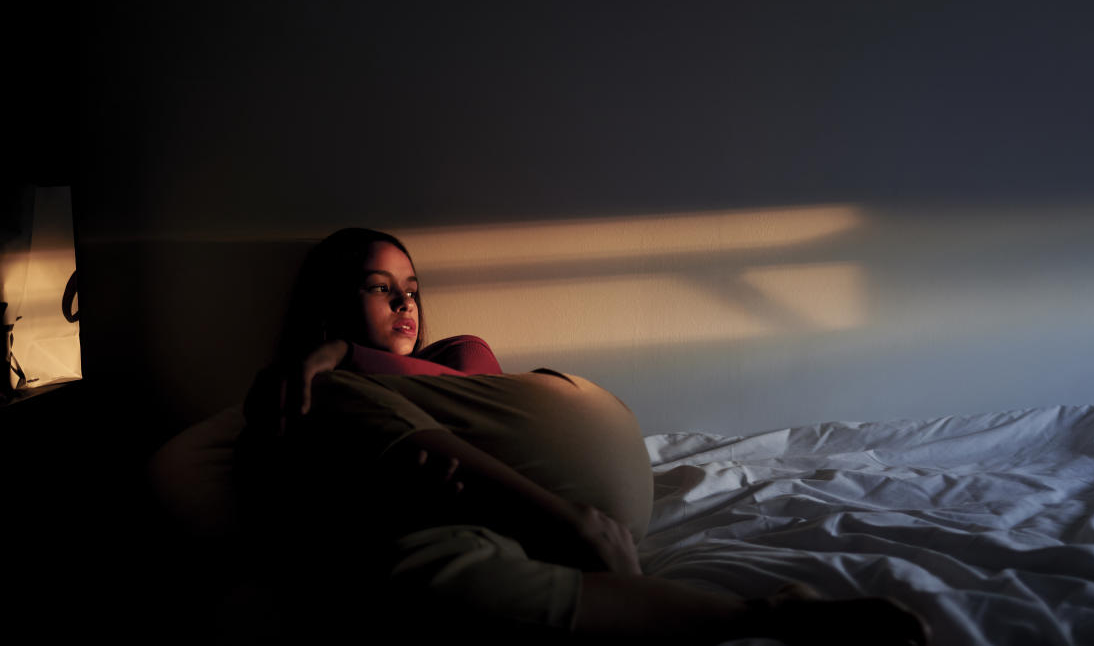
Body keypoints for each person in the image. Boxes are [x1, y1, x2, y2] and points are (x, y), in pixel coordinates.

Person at [239, 228, 931, 645]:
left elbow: (471, 364)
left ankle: (573, 529)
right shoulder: (312, 398)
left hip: (570, 514)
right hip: (494, 522)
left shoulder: (446, 358)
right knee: (416, 574)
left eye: (412, 287)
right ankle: (762, 618)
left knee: (335, 401)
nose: (404, 302)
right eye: (378, 286)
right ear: (333, 303)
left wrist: (331, 355)